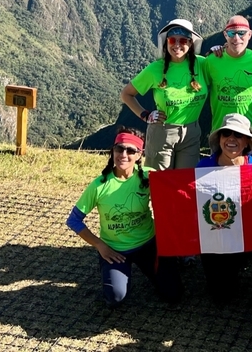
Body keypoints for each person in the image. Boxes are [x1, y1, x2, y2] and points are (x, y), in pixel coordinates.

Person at [195, 115, 252, 346]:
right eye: (227, 134)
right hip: (219, 237)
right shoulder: (203, 168)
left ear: (247, 142)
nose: (232, 139)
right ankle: (233, 266)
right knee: (221, 296)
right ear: (220, 139)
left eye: (239, 135)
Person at [66, 128, 183, 307]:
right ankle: (116, 274)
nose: (123, 154)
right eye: (119, 149)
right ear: (112, 151)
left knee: (174, 294)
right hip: (115, 250)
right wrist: (100, 245)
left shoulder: (149, 176)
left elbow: (175, 199)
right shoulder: (99, 185)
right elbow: (73, 220)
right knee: (115, 298)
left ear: (139, 154)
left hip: (148, 244)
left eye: (131, 150)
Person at [120, 18, 207, 170]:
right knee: (160, 183)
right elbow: (126, 94)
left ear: (191, 43)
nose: (177, 45)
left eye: (183, 41)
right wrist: (145, 115)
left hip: (191, 134)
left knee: (185, 183)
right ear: (166, 42)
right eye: (172, 40)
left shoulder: (203, 64)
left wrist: (220, 49)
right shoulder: (155, 69)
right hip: (162, 132)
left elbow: (224, 63)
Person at [203, 15, 252, 155]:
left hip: (251, 131)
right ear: (225, 35)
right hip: (221, 131)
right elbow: (197, 86)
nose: (236, 38)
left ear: (249, 34)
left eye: (241, 33)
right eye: (231, 33)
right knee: (220, 176)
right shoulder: (211, 61)